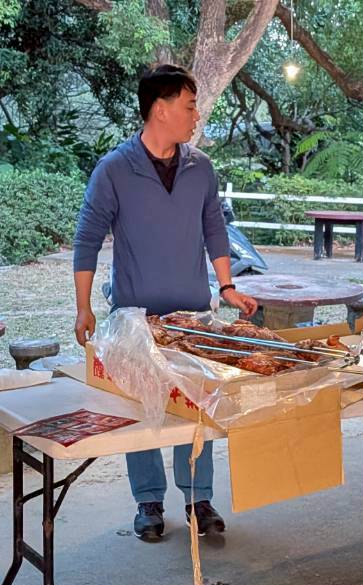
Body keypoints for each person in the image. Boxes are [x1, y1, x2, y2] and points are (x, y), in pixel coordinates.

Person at [72, 64, 258, 541]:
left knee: (197, 403)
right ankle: (148, 502)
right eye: (190, 106)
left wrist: (227, 287)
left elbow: (215, 228)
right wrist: (83, 307)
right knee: (145, 408)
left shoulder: (201, 168)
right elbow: (87, 240)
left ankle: (199, 498)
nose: (196, 116)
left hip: (193, 315)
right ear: (160, 109)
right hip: (137, 320)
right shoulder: (115, 169)